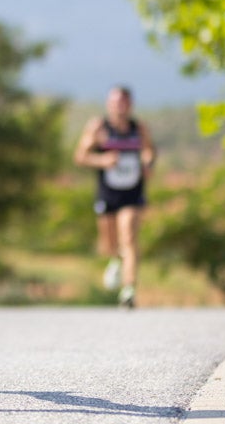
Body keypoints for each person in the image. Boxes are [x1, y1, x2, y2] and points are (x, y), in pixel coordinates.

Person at [73, 85, 156, 309]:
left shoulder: (138, 128)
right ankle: (115, 260)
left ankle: (128, 291)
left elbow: (149, 151)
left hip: (133, 192)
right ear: (109, 104)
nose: (119, 106)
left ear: (130, 104)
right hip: (108, 193)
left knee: (129, 237)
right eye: (115, 102)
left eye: (123, 102)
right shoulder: (98, 127)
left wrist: (148, 162)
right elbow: (80, 156)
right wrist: (102, 160)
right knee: (109, 245)